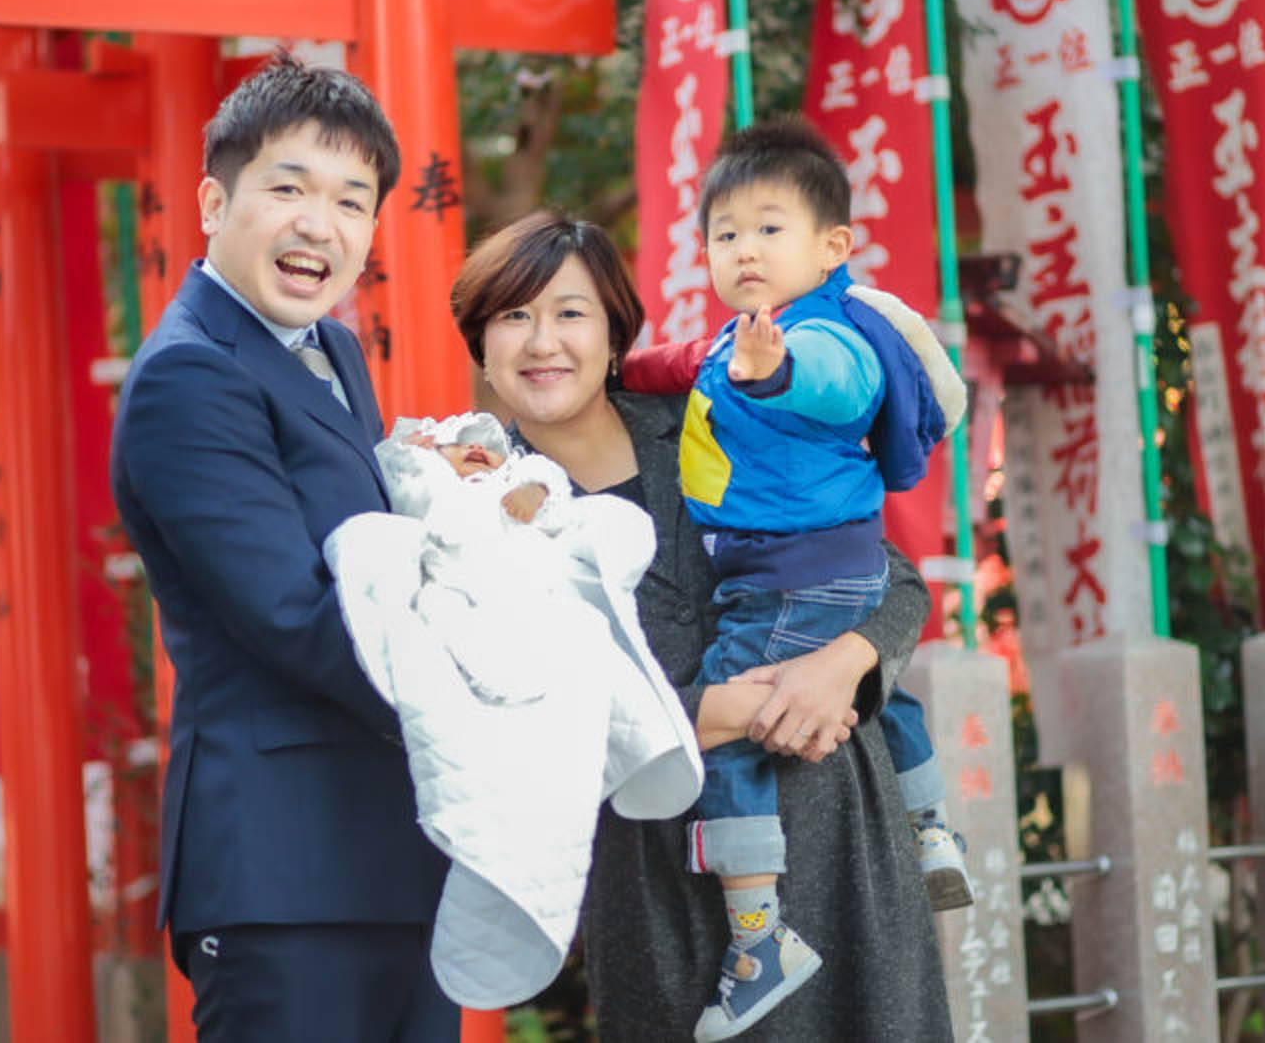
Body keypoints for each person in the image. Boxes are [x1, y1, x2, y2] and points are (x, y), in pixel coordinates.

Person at [450, 211, 953, 1042]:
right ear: (481, 342)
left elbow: (890, 577)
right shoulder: (474, 508)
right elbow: (507, 722)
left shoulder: (714, 414)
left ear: (616, 332)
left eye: (571, 313)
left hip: (837, 821)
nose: (544, 341)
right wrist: (708, 717)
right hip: (660, 869)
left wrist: (850, 664)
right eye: (514, 315)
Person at [110, 54, 454, 1043]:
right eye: (289, 188)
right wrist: (490, 686)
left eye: (352, 200)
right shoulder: (190, 376)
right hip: (283, 871)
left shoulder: (331, 350)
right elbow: (294, 614)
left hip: (390, 850)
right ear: (215, 201)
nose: (321, 224)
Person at [663, 118, 967, 1039]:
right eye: (725, 234)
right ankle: (931, 825)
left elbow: (838, 386)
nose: (743, 250)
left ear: (832, 246)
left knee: (735, 727)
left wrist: (778, 371)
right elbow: (687, 365)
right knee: (891, 693)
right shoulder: (739, 341)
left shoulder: (822, 334)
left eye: (767, 228)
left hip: (790, 578)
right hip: (840, 569)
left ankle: (759, 938)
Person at [323, 413, 701, 1009]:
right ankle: (499, 869)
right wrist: (421, 458)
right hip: (471, 592)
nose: (473, 454)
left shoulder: (528, 476)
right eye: (456, 448)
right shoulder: (434, 490)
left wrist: (533, 490)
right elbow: (418, 500)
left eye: (483, 449)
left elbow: (557, 502)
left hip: (537, 591)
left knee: (579, 640)